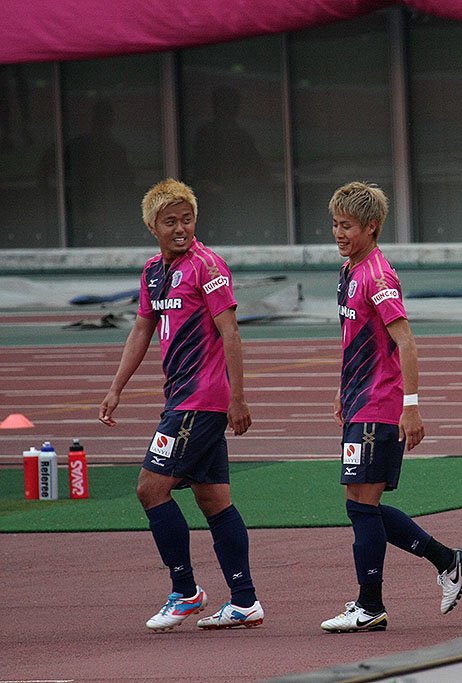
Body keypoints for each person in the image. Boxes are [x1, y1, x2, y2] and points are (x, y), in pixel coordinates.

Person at [99, 178, 263, 631]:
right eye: (170, 221)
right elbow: (141, 329)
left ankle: (185, 592)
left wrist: (237, 397)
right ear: (152, 226)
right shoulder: (153, 271)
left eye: (187, 219)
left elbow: (231, 332)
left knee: (150, 488)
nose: (180, 228)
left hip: (199, 401)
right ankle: (245, 601)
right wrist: (116, 387)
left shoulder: (207, 266)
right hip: (182, 397)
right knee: (214, 499)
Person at [320, 182, 462, 633]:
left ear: (371, 227)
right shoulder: (348, 270)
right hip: (359, 400)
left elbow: (406, 341)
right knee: (359, 505)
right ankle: (447, 561)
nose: (338, 233)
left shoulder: (379, 276)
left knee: (362, 506)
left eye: (347, 226)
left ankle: (370, 606)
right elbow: (356, 340)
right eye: (335, 225)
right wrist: (343, 389)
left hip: (380, 405)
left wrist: (411, 406)